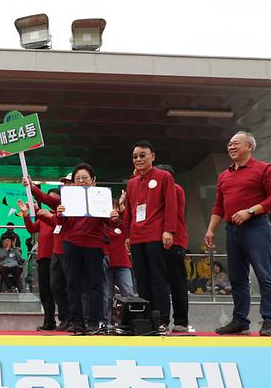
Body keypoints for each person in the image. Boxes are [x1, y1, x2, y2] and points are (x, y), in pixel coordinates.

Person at [205, 131, 271, 336]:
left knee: (264, 274)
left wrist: (250, 211)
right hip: (232, 230)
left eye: (236, 144)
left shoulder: (264, 169)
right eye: (229, 144)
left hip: (256, 227)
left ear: (249, 146)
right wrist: (210, 229)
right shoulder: (224, 175)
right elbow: (218, 207)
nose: (231, 147)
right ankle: (240, 320)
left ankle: (270, 320)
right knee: (237, 278)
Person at [54, 163, 119, 335]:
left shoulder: (101, 197)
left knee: (95, 285)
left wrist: (113, 217)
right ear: (73, 182)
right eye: (78, 179)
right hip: (72, 244)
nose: (81, 181)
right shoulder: (67, 199)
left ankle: (94, 322)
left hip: (94, 245)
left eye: (85, 178)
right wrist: (58, 214)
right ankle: (77, 323)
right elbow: (60, 223)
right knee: (73, 285)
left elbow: (110, 223)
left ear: (93, 181)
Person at [123, 140, 178, 333]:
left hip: (156, 235)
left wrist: (169, 230)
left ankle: (162, 318)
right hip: (137, 237)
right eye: (135, 156)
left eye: (142, 155)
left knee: (158, 278)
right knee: (142, 279)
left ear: (152, 156)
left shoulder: (164, 177)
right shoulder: (131, 183)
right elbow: (129, 211)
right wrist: (127, 234)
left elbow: (172, 205)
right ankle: (146, 318)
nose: (138, 159)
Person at [155, 164, 190, 333]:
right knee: (159, 282)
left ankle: (181, 321)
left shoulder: (175, 189)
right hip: (157, 241)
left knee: (177, 282)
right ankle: (161, 319)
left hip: (174, 241)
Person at [19, 199, 60, 331]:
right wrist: (26, 214)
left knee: (58, 290)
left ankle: (66, 319)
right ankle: (49, 321)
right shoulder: (43, 218)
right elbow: (31, 228)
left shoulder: (61, 218)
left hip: (57, 258)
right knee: (45, 291)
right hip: (42, 258)